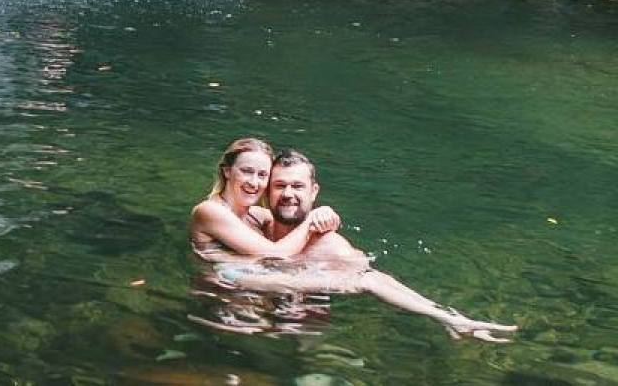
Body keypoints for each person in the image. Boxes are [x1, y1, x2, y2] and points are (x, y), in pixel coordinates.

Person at [200, 148, 518, 342]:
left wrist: (446, 316)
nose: (288, 194)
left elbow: (373, 279)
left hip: (301, 326)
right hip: (252, 312)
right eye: (279, 185)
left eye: (298, 186)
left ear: (314, 192)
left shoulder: (329, 244)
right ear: (267, 192)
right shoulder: (255, 223)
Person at [189, 137, 343, 257]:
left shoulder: (255, 216)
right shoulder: (209, 211)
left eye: (262, 174)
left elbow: (288, 219)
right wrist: (312, 220)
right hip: (214, 289)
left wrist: (325, 213)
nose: (254, 182)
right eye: (247, 171)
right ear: (227, 171)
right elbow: (275, 255)